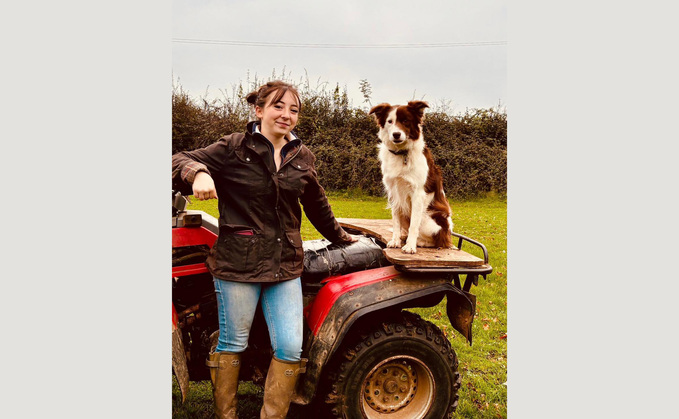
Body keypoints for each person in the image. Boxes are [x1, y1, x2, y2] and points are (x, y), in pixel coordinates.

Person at [172, 80, 356, 419]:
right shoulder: (233, 148)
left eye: (294, 110)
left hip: (284, 264)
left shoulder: (302, 156)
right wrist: (197, 173)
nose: (286, 115)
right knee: (233, 344)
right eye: (278, 107)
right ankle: (226, 415)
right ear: (259, 110)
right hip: (237, 265)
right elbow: (177, 159)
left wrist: (341, 236)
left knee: (289, 347)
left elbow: (316, 205)